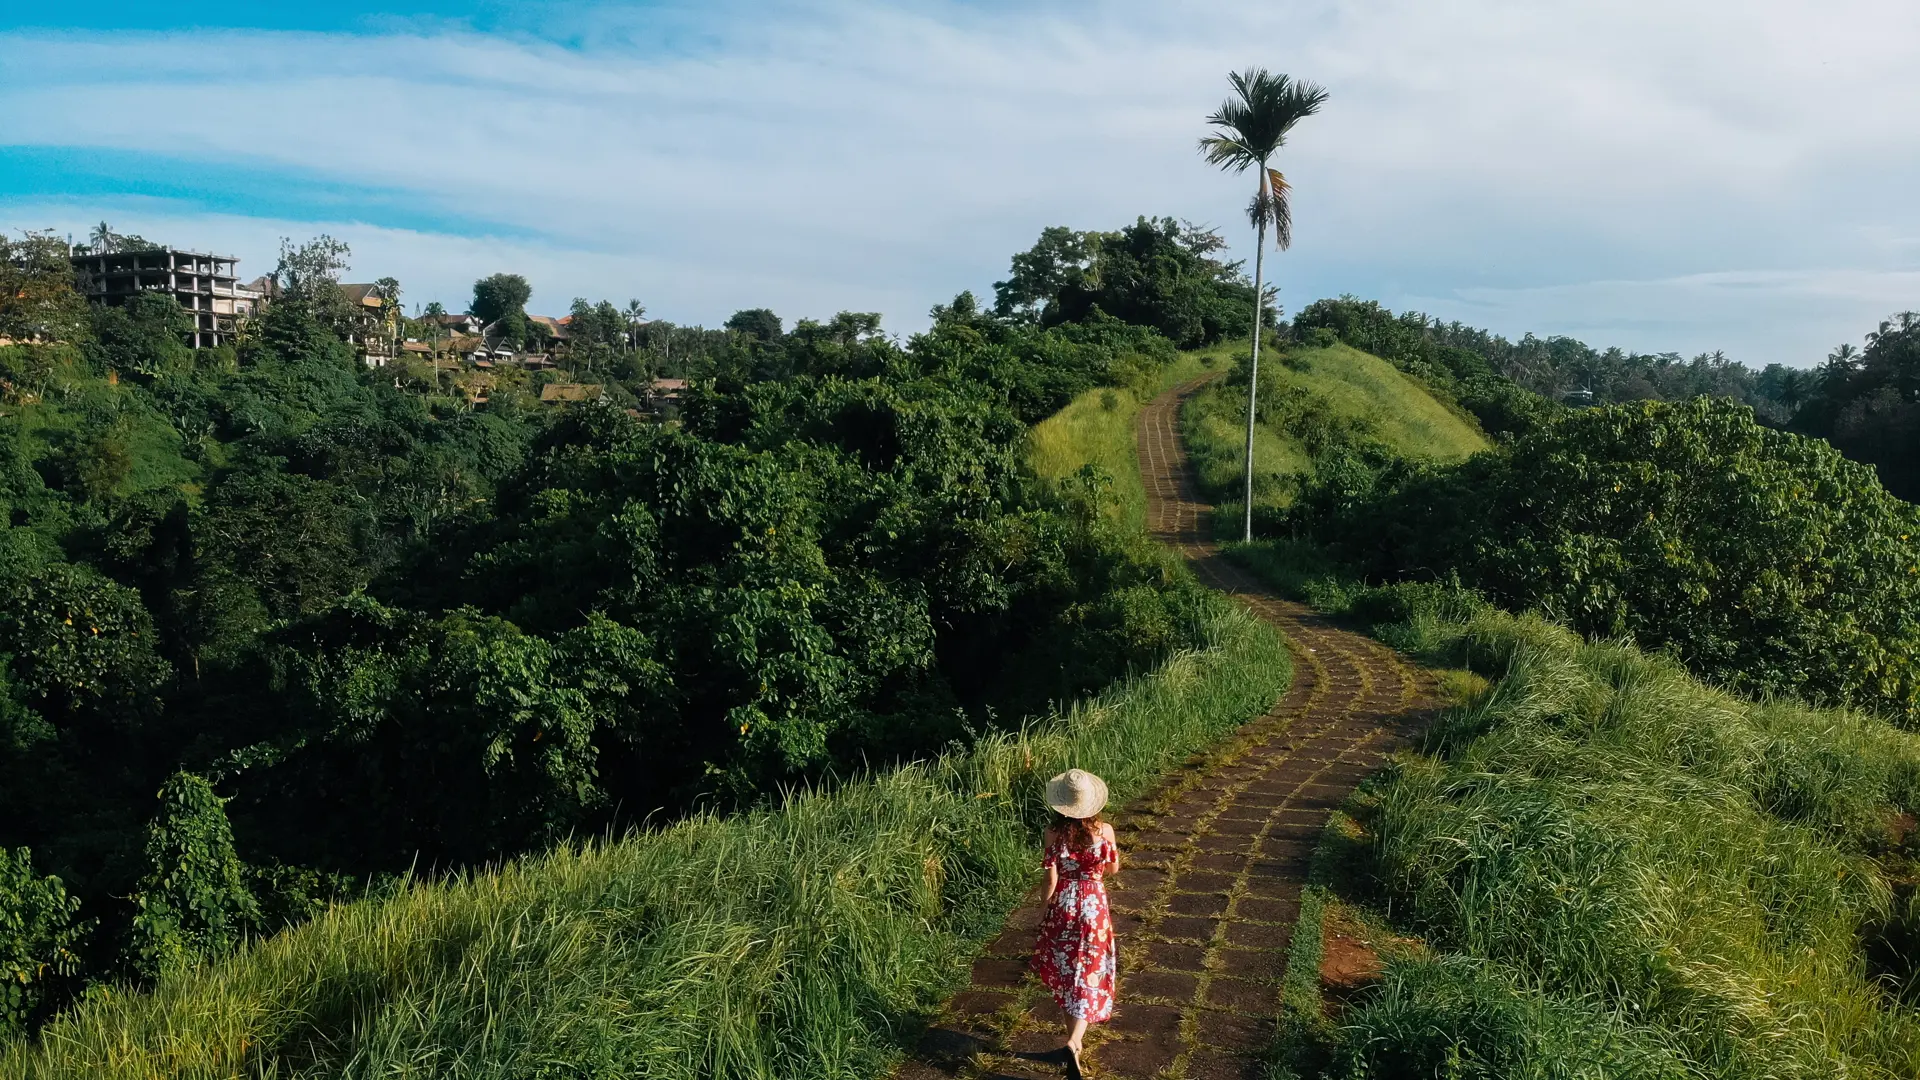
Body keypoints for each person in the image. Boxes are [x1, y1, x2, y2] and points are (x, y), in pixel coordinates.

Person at [1029, 768, 1121, 1077]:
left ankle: (1074, 1044)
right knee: (1090, 971)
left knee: (1069, 972)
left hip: (1065, 904)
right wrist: (1091, 873)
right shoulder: (1105, 831)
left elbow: (1050, 877)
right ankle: (1074, 1042)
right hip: (1094, 907)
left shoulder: (1052, 833)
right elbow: (1113, 869)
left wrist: (1043, 908)